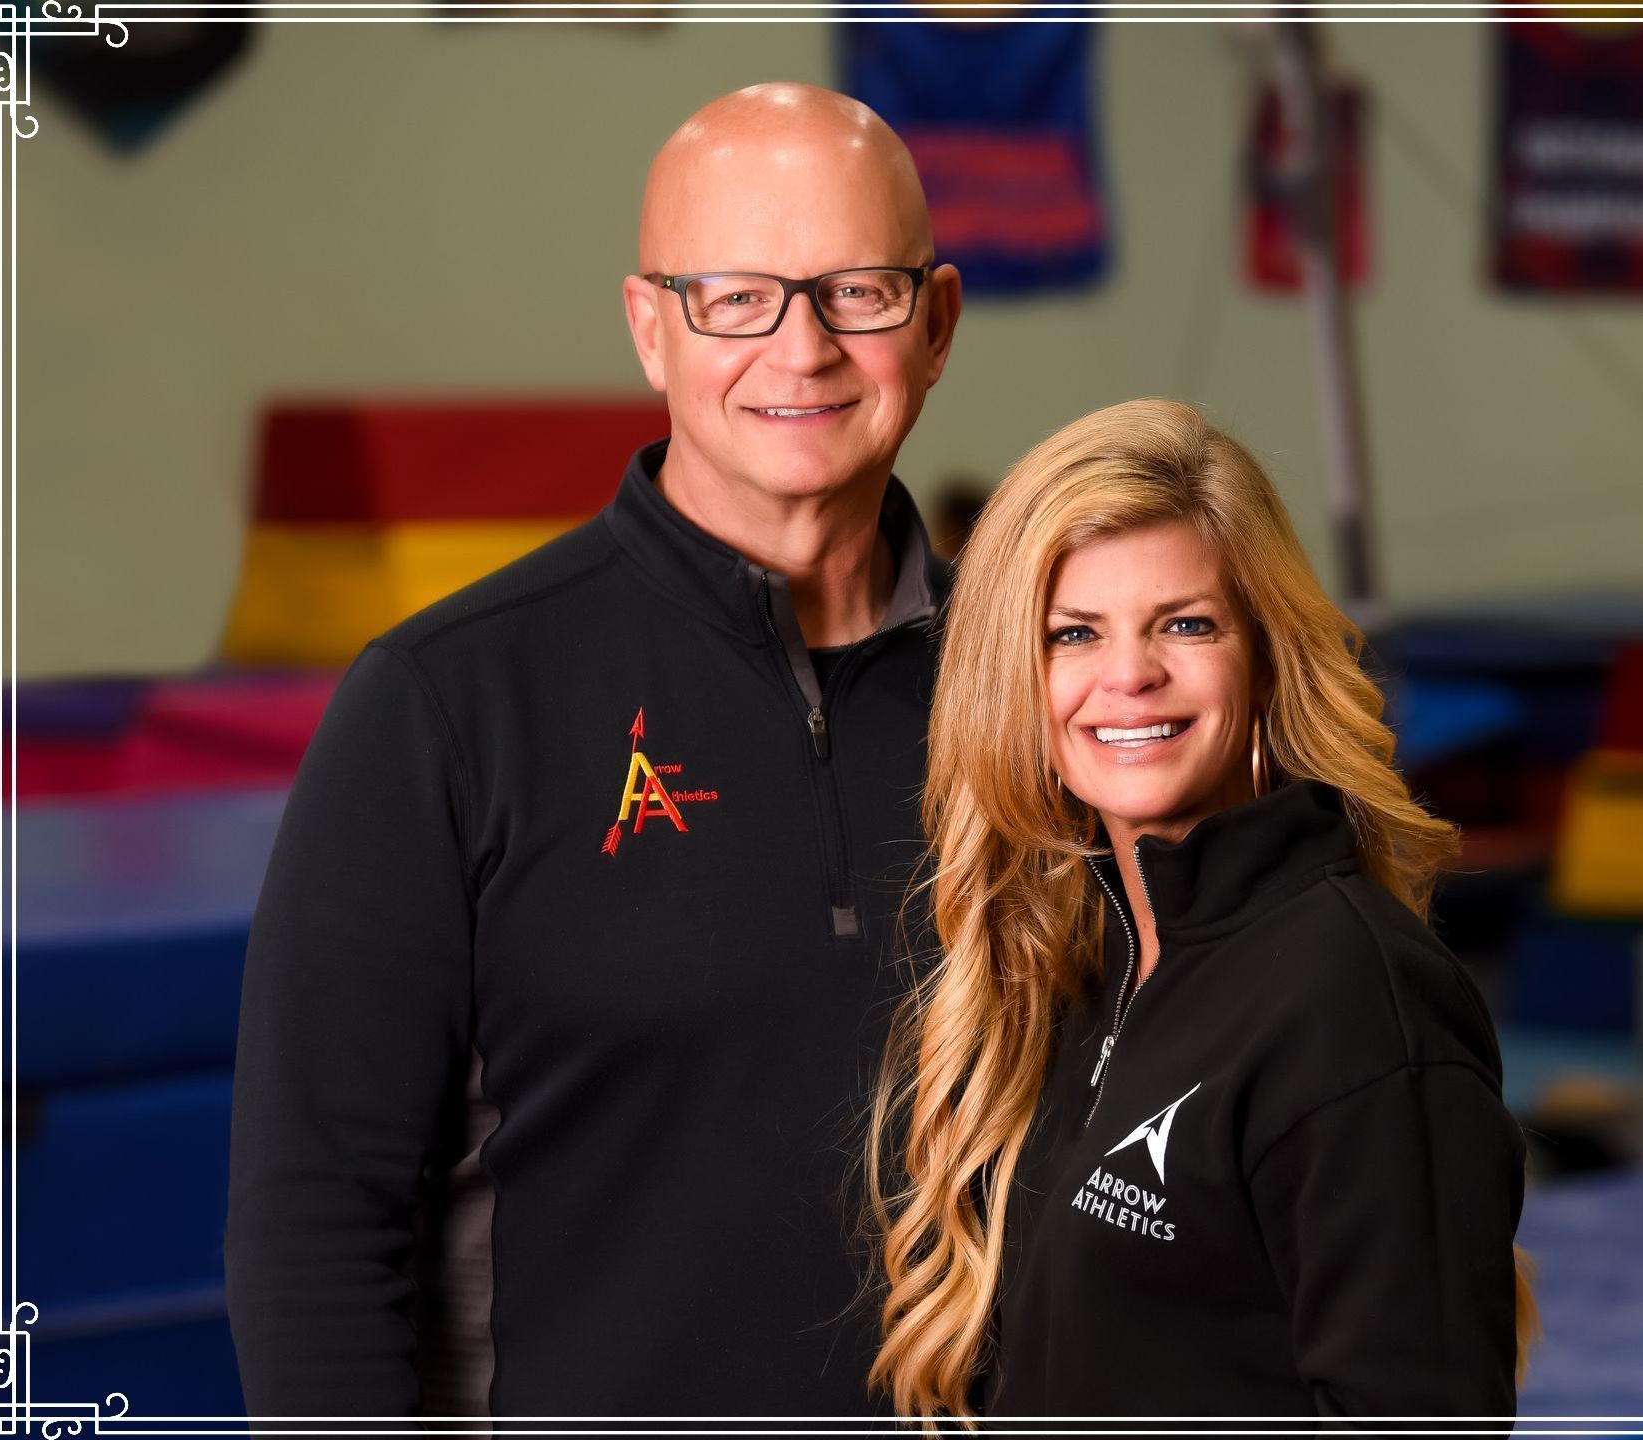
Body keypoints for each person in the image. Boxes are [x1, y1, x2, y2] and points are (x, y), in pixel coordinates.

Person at [226, 83, 961, 1415]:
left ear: (939, 321)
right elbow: (314, 1225)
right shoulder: (448, 704)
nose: (803, 350)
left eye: (860, 291)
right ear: (649, 329)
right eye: (735, 296)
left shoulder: (1034, 688)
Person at [869, 399, 1537, 1417]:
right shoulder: (1080, 965)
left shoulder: (1355, 998)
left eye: (1186, 624)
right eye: (1073, 634)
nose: (1129, 675)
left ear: (1264, 658)